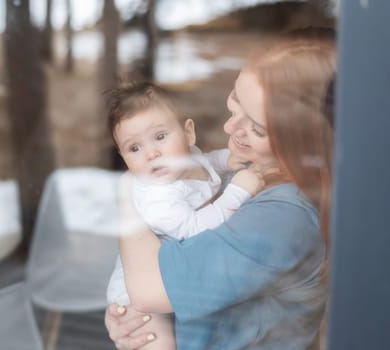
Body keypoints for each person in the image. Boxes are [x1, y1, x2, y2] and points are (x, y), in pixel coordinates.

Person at [105, 35, 335, 350]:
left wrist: (126, 193)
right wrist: (129, 317)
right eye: (235, 100)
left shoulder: (284, 218)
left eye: (256, 128)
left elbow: (149, 290)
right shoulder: (253, 171)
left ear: (300, 140)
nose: (229, 127)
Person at [104, 81, 265, 349]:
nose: (152, 153)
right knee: (158, 343)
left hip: (173, 278)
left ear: (188, 133)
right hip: (136, 293)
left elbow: (206, 161)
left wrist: (226, 160)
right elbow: (193, 229)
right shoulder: (158, 196)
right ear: (124, 158)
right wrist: (237, 192)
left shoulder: (186, 160)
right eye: (135, 148)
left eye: (159, 136)